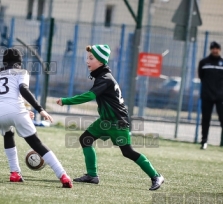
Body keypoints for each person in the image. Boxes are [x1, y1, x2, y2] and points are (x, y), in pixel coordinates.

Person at [56, 44, 164, 190]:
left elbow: (89, 95)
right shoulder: (102, 76)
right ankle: (92, 175)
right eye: (87, 57)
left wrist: (65, 101)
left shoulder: (105, 78)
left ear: (100, 61)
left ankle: (156, 176)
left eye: (91, 58)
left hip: (117, 122)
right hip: (105, 121)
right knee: (85, 140)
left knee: (128, 152)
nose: (87, 61)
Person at [0, 48, 73, 188]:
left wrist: (24, 111)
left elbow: (4, 98)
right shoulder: (22, 72)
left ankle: (15, 173)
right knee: (36, 144)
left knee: (8, 134)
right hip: (14, 110)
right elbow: (23, 89)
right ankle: (63, 176)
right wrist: (40, 109)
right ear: (19, 62)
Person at [198, 41, 223, 149]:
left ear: (220, 49)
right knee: (205, 119)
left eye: (217, 48)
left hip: (220, 97)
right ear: (210, 49)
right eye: (213, 48)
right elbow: (201, 77)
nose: (215, 50)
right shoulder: (204, 62)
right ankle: (204, 141)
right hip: (207, 96)